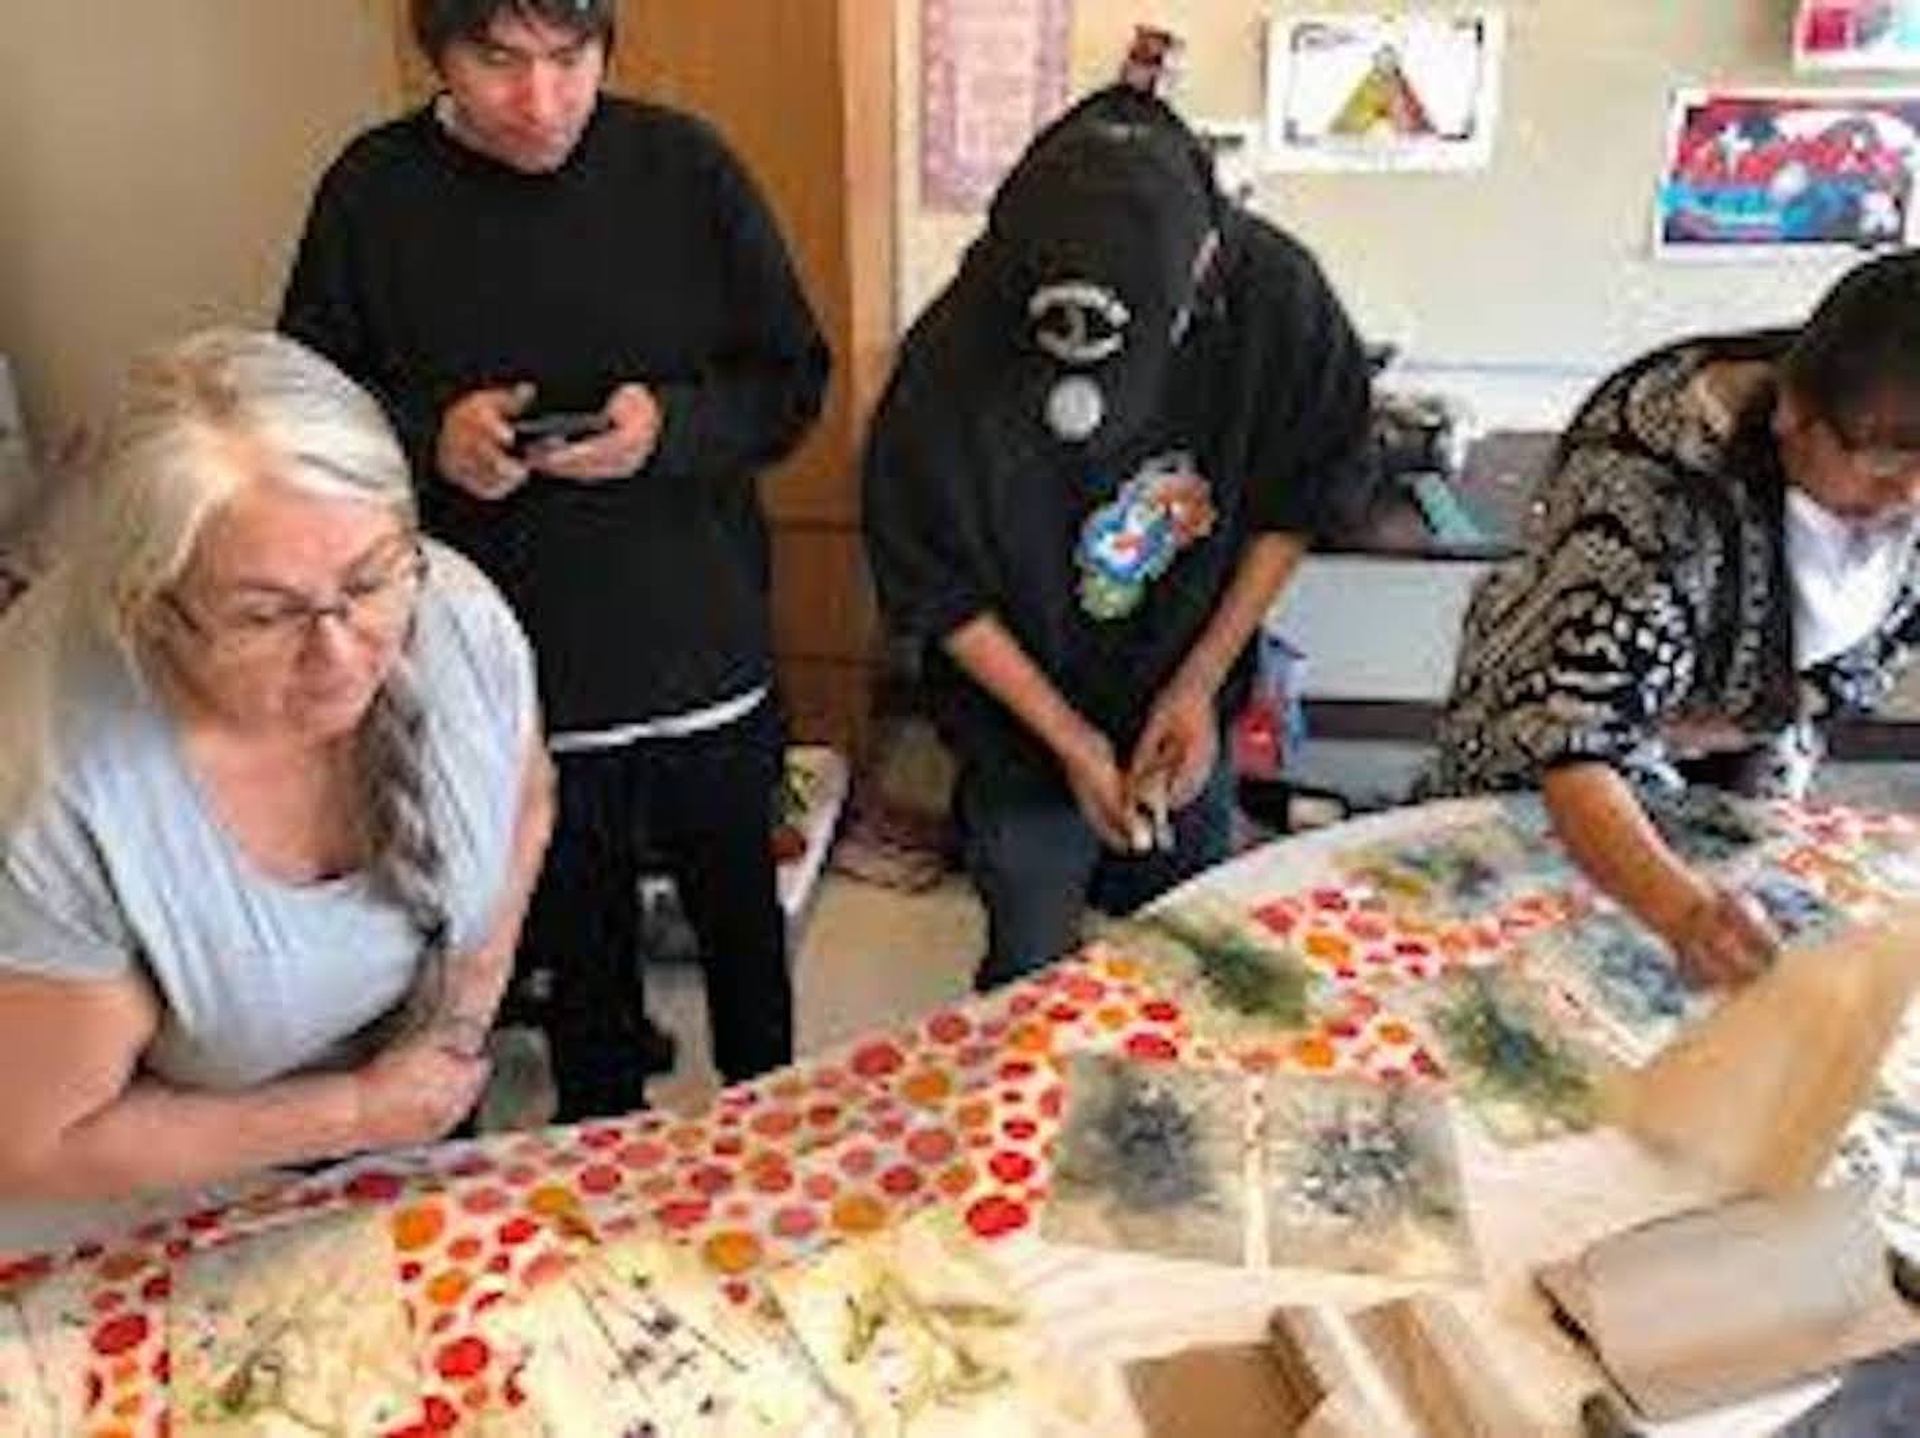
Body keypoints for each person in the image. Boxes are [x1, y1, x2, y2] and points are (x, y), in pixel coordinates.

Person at [281, 0, 829, 1118]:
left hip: (700, 641)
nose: (541, 101)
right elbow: (303, 413)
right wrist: (432, 440)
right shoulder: (372, 192)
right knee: (576, 946)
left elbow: (790, 381)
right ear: (434, 53)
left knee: (742, 924)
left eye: (570, 57)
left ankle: (771, 1121)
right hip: (510, 663)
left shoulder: (685, 167)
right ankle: (601, 1137)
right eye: (499, 60)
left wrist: (670, 428)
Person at [0, 329, 552, 1199]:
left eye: (368, 582)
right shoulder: (54, 794)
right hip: (190, 1192)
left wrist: (457, 1023)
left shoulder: (459, 617)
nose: (342, 654)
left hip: (416, 1111)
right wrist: (356, 1114)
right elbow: (40, 1142)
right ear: (152, 611)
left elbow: (525, 805)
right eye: (266, 615)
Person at [863, 85, 1373, 990]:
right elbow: (932, 578)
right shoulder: (956, 339)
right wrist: (1069, 740)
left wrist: (1200, 679)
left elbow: (1302, 494)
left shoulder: (1275, 299)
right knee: (1028, 967)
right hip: (1017, 725)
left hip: (1185, 691)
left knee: (1178, 957)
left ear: (1205, 263)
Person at [1423, 250, 1920, 987]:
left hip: (1739, 746)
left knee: (1731, 971)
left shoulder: (1882, 449)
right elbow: (1578, 746)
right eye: (1882, 465)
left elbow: (1859, 655)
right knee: (1514, 962)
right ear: (1793, 412)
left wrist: (1748, 730)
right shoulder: (1647, 483)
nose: (1910, 494)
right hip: (1552, 749)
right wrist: (1685, 913)